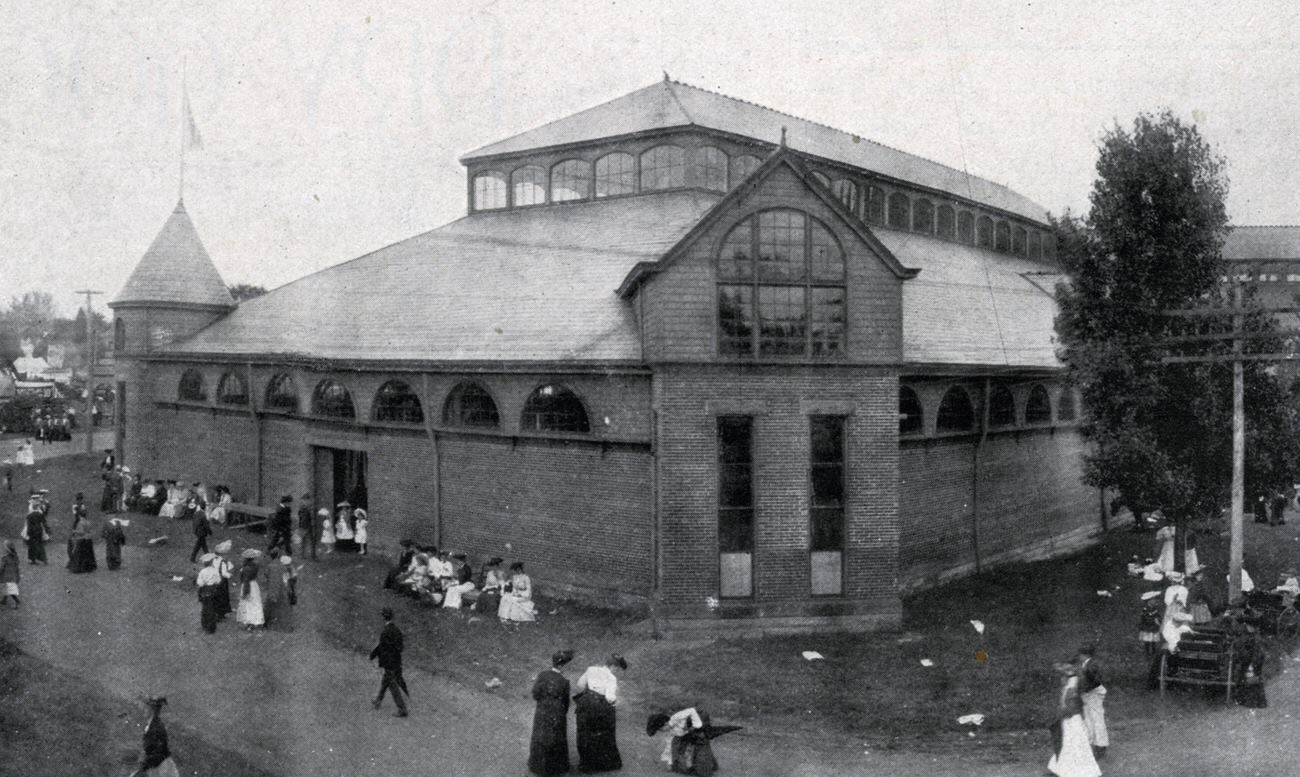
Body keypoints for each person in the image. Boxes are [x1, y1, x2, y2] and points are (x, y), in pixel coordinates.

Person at [1047, 661, 1101, 777]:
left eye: (1063, 677)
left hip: (1072, 719)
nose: (1061, 680)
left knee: (1073, 741)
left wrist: (1063, 714)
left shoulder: (1072, 687)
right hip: (1071, 718)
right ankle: (1059, 766)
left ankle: (1073, 770)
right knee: (1069, 741)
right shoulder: (1070, 686)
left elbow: (1071, 706)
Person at [575, 654, 627, 772]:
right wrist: (615, 702)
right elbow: (610, 697)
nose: (617, 671)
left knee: (585, 733)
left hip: (585, 704)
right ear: (613, 666)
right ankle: (600, 763)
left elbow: (580, 685)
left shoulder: (591, 669)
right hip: (599, 707)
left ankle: (585, 763)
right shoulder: (611, 678)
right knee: (602, 733)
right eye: (617, 668)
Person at [529, 649, 574, 776]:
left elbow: (535, 693)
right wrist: (562, 711)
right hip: (557, 711)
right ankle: (555, 768)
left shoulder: (542, 675)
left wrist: (543, 702)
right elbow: (566, 701)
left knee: (540, 734)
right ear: (562, 666)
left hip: (542, 709)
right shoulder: (564, 681)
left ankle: (537, 765)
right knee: (556, 737)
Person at [647, 707, 723, 776]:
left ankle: (707, 763)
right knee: (686, 754)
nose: (662, 731)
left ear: (665, 724)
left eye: (661, 729)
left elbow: (692, 710)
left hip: (700, 721)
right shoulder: (669, 733)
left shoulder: (676, 717)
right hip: (689, 734)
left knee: (701, 745)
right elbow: (669, 746)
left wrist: (696, 725)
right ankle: (708, 763)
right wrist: (670, 763)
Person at [369, 607, 409, 717]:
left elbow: (381, 647)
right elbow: (400, 647)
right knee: (385, 681)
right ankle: (378, 700)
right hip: (396, 661)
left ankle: (402, 709)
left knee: (392, 685)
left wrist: (373, 655)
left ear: (383, 617)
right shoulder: (397, 630)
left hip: (388, 662)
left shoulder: (385, 632)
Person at [129, 696, 179, 777]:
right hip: (156, 766)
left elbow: (158, 752)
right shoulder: (151, 725)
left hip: (162, 767)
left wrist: (142, 769)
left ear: (152, 709)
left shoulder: (157, 727)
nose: (143, 711)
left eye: (146, 708)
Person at [1075, 646, 1107, 760]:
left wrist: (1085, 689)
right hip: (1088, 694)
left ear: (1085, 655)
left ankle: (1101, 745)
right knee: (1089, 718)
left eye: (1080, 654)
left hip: (1093, 694)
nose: (1079, 657)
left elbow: (1096, 681)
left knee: (1096, 718)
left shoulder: (1091, 665)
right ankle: (1094, 743)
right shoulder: (1086, 664)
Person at [236, 550, 265, 631]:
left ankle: (250, 623)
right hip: (254, 585)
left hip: (248, 586)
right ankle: (257, 621)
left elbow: (245, 581)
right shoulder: (256, 566)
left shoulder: (246, 569)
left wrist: (245, 592)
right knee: (255, 603)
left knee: (248, 604)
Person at [196, 553, 223, 634]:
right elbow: (218, 580)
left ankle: (205, 625)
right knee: (212, 609)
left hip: (205, 591)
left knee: (205, 609)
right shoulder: (215, 570)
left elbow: (200, 583)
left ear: (204, 563)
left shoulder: (203, 572)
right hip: (214, 590)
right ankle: (212, 627)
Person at [22, 495, 49, 564]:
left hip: (32, 531)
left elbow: (29, 524)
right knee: (39, 544)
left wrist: (28, 533)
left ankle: (33, 559)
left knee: (32, 545)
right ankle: (43, 558)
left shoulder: (29, 515)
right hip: (39, 530)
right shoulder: (40, 514)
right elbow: (44, 522)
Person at [297, 493, 318, 560]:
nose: (304, 501)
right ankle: (303, 555)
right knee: (305, 541)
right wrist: (300, 526)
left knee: (311, 541)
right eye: (304, 500)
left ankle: (312, 556)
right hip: (305, 526)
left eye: (305, 500)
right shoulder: (303, 507)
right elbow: (300, 517)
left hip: (309, 526)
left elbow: (311, 517)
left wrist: (313, 524)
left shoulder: (308, 507)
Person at [0, 541, 20, 608]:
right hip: (13, 576)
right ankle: (4, 600)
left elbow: (1, 568)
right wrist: (18, 576)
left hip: (6, 576)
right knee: (8, 588)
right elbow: (17, 567)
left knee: (9, 590)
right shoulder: (16, 557)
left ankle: (17, 601)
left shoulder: (4, 558)